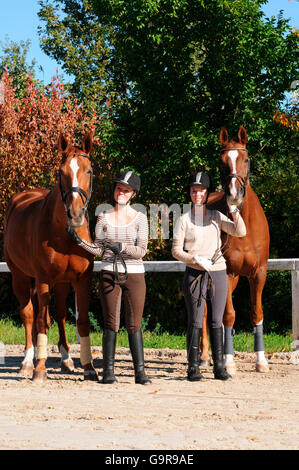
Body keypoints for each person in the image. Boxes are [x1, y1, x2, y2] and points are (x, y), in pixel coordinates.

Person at [67, 170, 151, 385]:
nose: (121, 192)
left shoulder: (141, 218)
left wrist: (121, 247)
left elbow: (142, 250)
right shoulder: (103, 217)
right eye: (118, 188)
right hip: (109, 273)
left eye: (126, 190)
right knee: (111, 323)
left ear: (133, 194)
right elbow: (98, 249)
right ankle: (109, 372)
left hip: (134, 274)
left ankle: (140, 372)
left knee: (134, 324)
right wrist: (79, 241)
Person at [172, 171, 246, 381]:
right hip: (195, 272)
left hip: (217, 271)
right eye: (194, 190)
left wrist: (234, 211)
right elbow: (176, 251)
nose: (198, 194)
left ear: (206, 193)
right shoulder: (184, 219)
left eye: (202, 191)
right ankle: (193, 367)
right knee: (195, 321)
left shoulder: (215, 217)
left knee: (216, 320)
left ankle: (219, 367)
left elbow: (240, 232)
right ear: (190, 193)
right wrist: (194, 259)